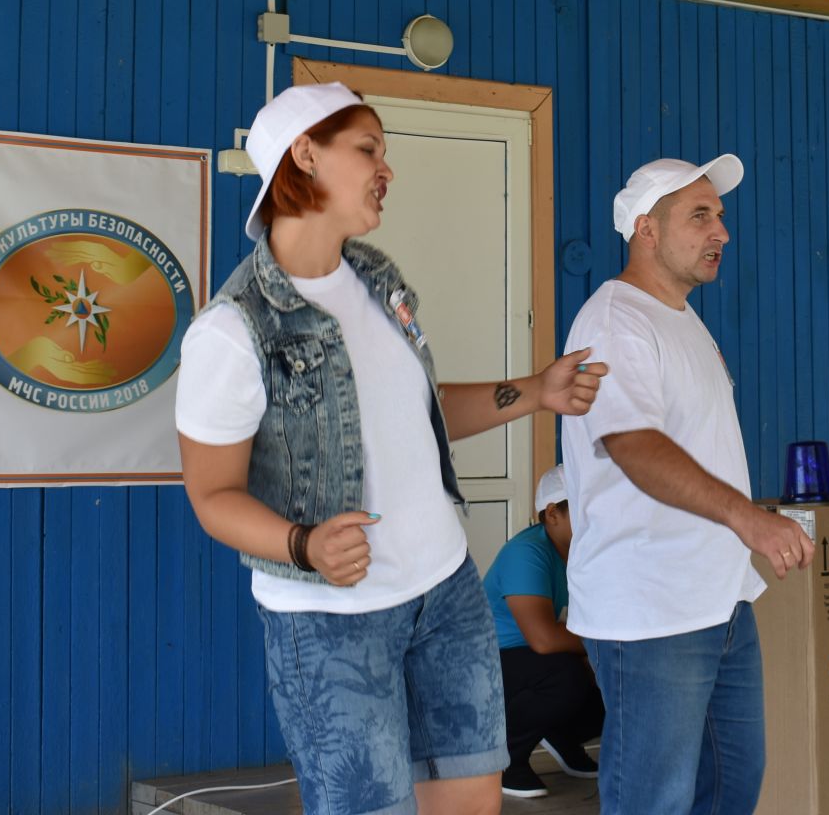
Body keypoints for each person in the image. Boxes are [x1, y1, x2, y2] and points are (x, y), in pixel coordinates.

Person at [174, 83, 604, 815]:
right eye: (368, 149)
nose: (387, 168)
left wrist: (536, 392)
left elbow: (422, 414)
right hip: (330, 620)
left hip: (446, 596)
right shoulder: (231, 329)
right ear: (304, 154)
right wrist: (302, 543)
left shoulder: (379, 279)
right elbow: (211, 496)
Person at [560, 155, 812, 815]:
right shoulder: (617, 320)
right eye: (699, 216)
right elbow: (632, 446)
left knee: (731, 788)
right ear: (646, 229)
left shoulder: (679, 319)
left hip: (719, 600)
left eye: (720, 216)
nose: (721, 232)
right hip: (651, 609)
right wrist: (747, 519)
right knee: (655, 801)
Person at [482, 465, 605, 799]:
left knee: (619, 678)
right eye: (585, 507)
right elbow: (544, 638)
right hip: (482, 668)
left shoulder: (584, 554)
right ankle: (503, 760)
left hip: (534, 665)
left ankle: (560, 735)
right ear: (552, 513)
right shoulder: (527, 552)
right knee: (568, 676)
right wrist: (596, 648)